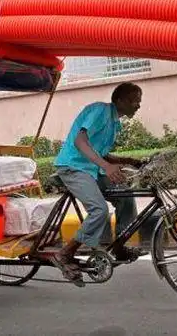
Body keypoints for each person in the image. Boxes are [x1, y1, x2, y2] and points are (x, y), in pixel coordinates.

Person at [50, 82, 145, 285]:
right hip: (73, 167)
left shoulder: (114, 123)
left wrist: (129, 161)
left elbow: (100, 153)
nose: (138, 105)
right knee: (99, 210)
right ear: (119, 100)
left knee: (126, 197)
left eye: (139, 101)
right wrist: (106, 166)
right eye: (133, 101)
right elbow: (80, 142)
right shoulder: (100, 111)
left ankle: (119, 247)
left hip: (91, 169)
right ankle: (65, 253)